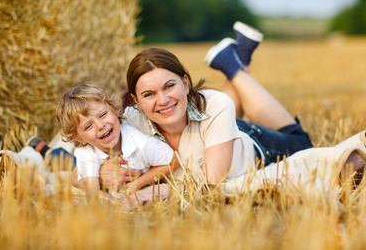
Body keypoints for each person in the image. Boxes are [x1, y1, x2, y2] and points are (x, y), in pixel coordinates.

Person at [113, 21, 313, 185]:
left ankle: (231, 65)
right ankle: (237, 59)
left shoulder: (215, 104)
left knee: (302, 144)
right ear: (135, 100)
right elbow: (85, 158)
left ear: (185, 82)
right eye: (148, 94)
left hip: (253, 146)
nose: (163, 100)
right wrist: (105, 169)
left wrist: (162, 192)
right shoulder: (128, 125)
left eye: (169, 86)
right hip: (216, 129)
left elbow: (212, 185)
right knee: (220, 110)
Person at [36, 84, 180, 202]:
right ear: (79, 138)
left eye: (103, 115)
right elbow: (91, 191)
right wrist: (117, 203)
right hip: (92, 170)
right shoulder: (86, 151)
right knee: (68, 167)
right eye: (88, 126)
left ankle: (44, 150)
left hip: (107, 173)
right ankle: (45, 151)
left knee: (67, 165)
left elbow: (173, 160)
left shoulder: (139, 143)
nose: (100, 125)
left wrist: (138, 183)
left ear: (115, 110)